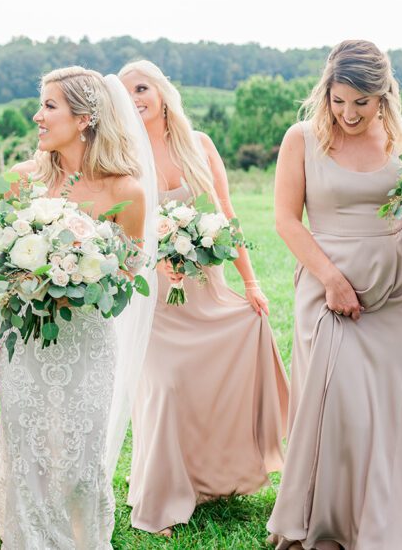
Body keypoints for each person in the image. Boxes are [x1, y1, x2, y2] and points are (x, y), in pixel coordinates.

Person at [0, 66, 157, 548]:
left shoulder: (125, 191)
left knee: (79, 455)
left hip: (86, 338)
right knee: (28, 447)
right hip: (24, 337)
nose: (38, 116)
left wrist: (77, 273)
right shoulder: (24, 180)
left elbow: (130, 273)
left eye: (49, 106)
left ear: (85, 117)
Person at [266, 40, 402, 548]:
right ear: (327, 91)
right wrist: (332, 280)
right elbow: (284, 219)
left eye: (361, 103)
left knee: (389, 411)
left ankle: (380, 526)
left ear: (383, 95)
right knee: (338, 406)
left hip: (398, 292)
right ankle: (324, 522)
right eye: (339, 100)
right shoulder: (301, 139)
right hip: (328, 286)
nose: (348, 112)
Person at [119, 60, 289, 536]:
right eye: (126, 91)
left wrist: (250, 284)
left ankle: (206, 477)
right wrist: (154, 258)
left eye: (142, 87)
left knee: (209, 378)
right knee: (166, 387)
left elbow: (226, 215)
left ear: (162, 90)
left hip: (204, 288)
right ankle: (157, 497)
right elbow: (117, 229)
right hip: (155, 297)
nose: (135, 98)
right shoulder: (121, 154)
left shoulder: (200, 145)